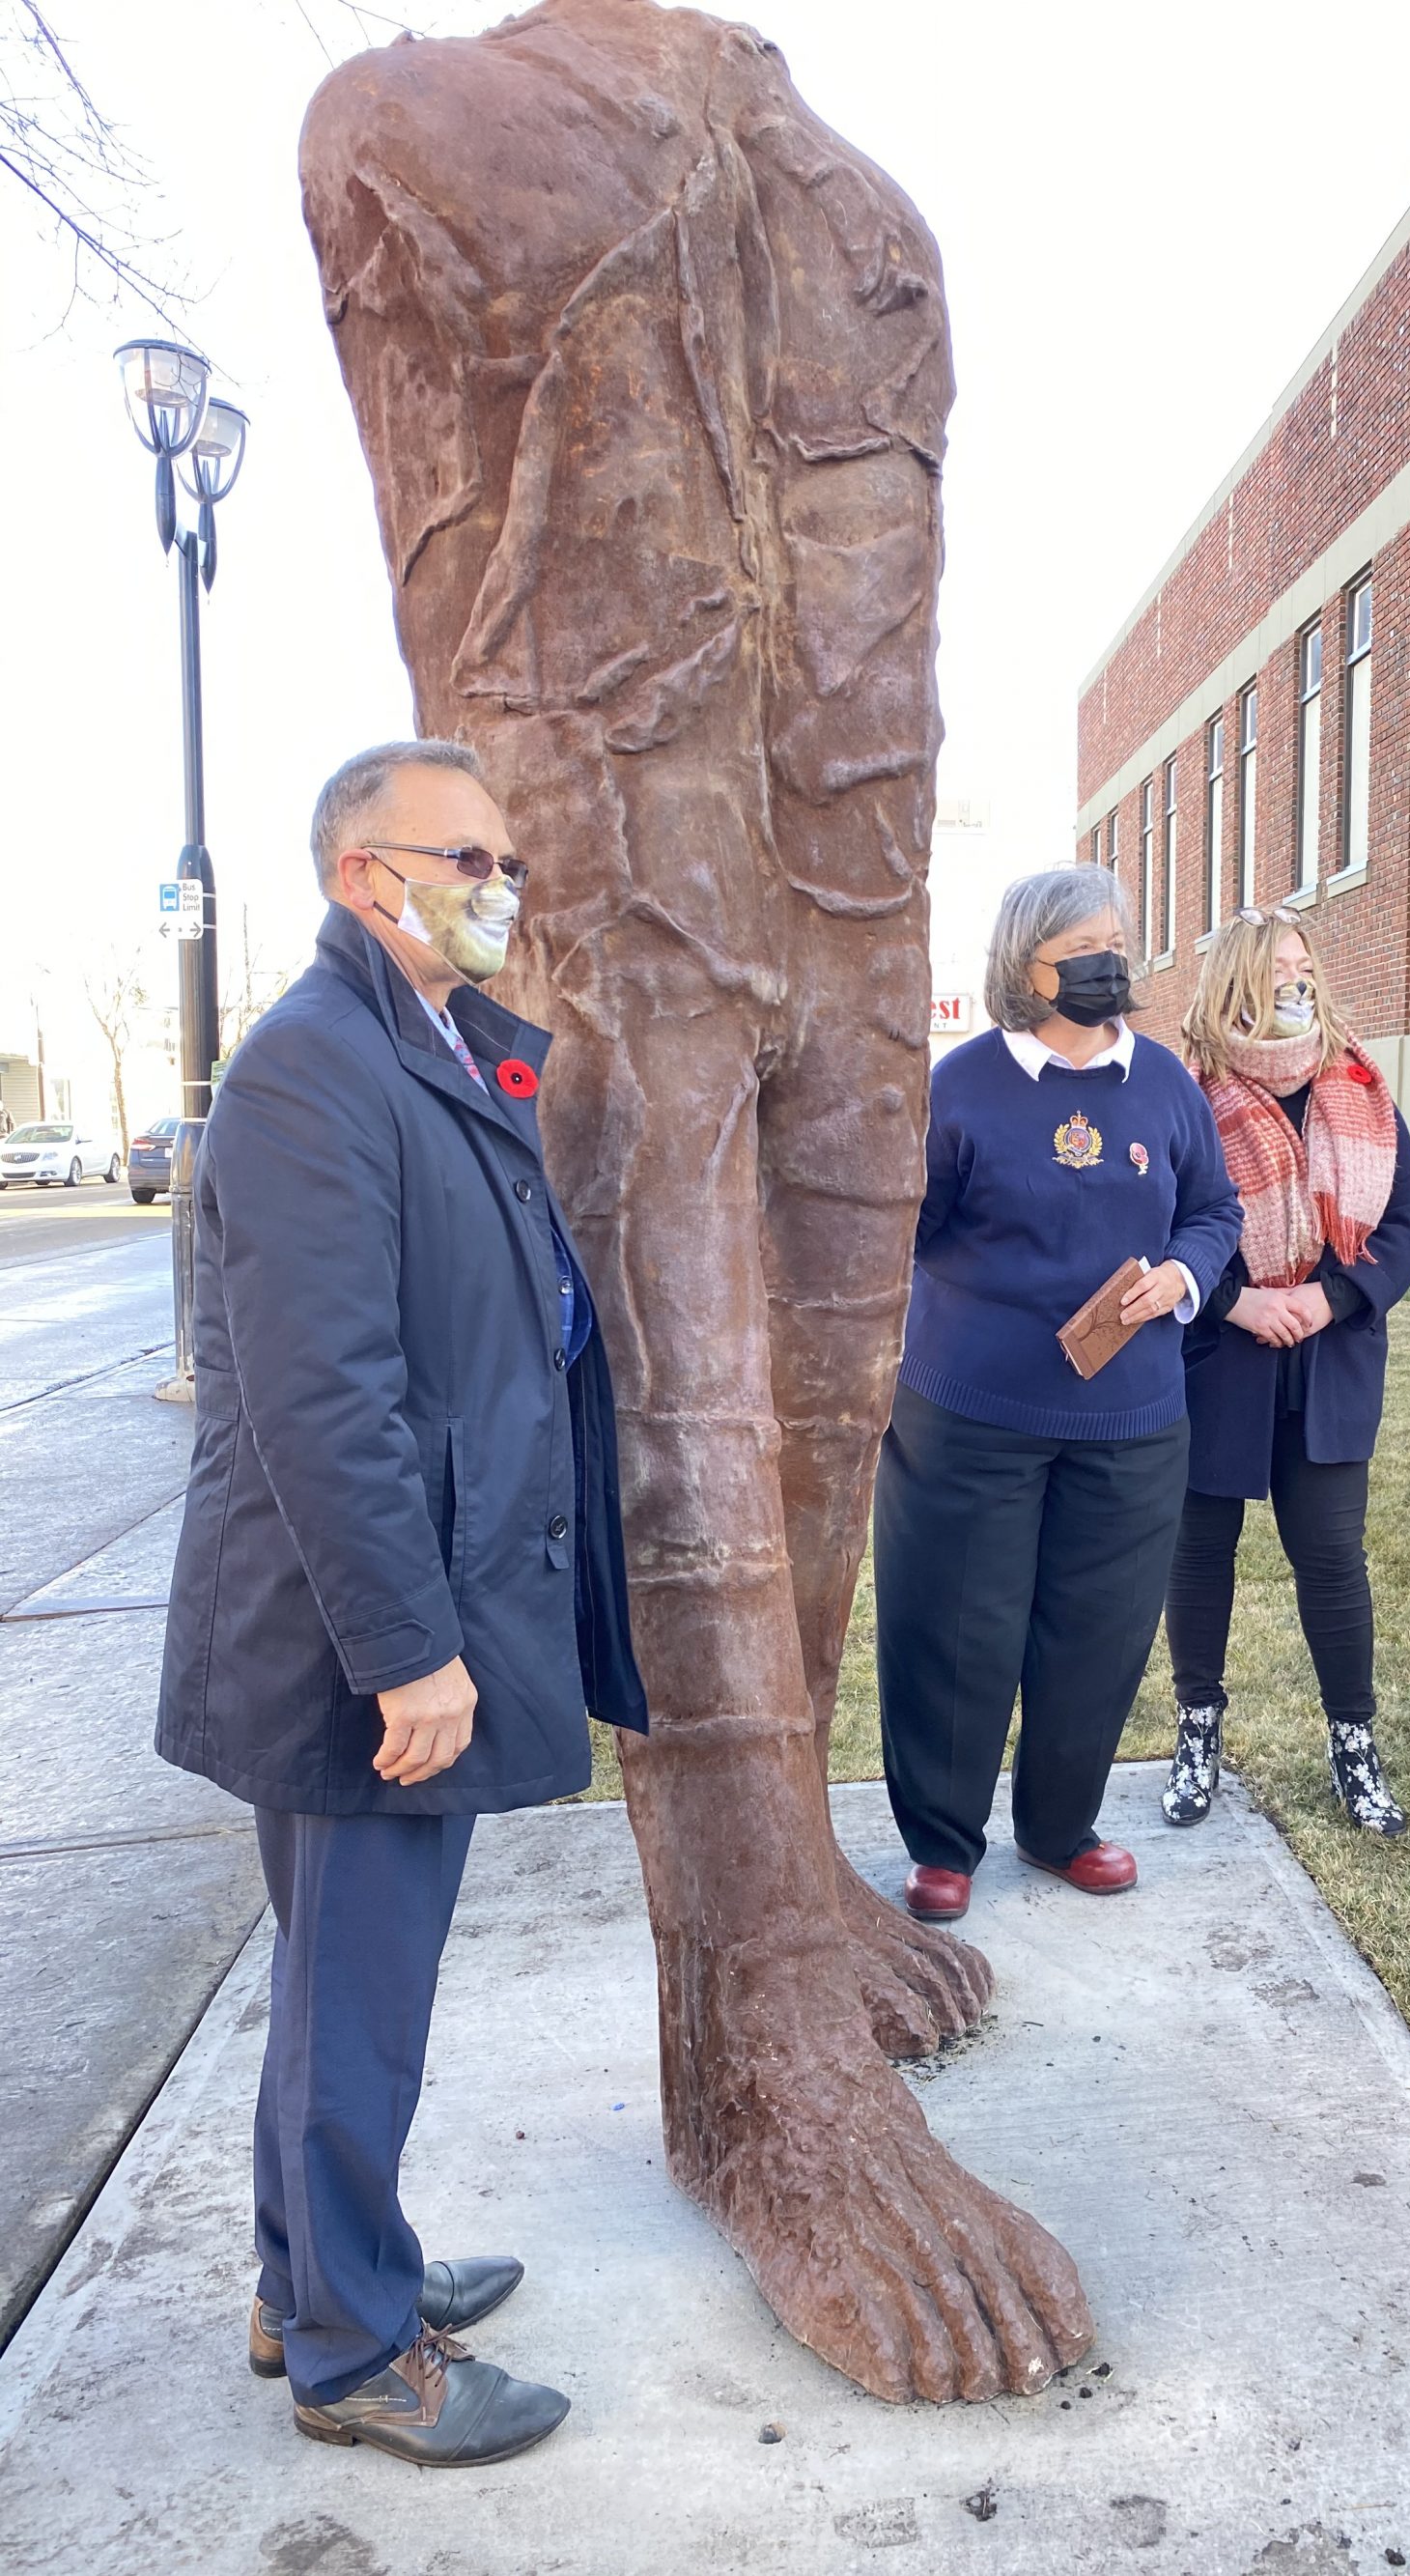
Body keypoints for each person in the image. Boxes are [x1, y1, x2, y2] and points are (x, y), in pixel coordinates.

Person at [156, 739, 648, 2466]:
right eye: (473, 856)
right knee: (362, 1995)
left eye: (507, 858)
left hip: (397, 1612)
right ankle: (359, 2356)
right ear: (372, 873)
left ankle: (315, 2279)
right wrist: (411, 1650)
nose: (503, 883)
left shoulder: (420, 1041)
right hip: (360, 1643)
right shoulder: (314, 1067)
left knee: (335, 1988)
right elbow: (319, 1396)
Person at [875, 864, 1242, 1923]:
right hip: (969, 1415)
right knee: (955, 1628)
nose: (1108, 965)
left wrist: (1183, 1271)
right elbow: (907, 1228)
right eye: (1083, 949)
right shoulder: (962, 1085)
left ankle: (1058, 1826)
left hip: (1130, 1420)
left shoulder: (1164, 1081)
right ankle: (943, 1842)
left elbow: (1212, 1210)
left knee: (1097, 1629)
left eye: (1117, 943)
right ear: (1023, 966)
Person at [1161, 907, 1410, 1835]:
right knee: (1200, 1554)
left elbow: (1406, 1219)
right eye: (1274, 965)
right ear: (1235, 978)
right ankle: (1198, 1735)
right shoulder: (1186, 1091)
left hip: (1332, 1360)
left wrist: (1332, 1297)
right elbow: (1163, 1218)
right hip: (1218, 1358)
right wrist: (1237, 1298)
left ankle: (1353, 1745)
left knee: (1330, 1557)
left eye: (1302, 960)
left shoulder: (1354, 1082)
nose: (1293, 977)